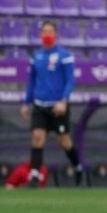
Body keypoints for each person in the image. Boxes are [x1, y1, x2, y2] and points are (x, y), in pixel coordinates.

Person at [21, 20, 82, 187]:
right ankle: (34, 176)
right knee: (37, 137)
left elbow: (70, 81)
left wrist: (64, 101)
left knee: (63, 140)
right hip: (40, 105)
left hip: (58, 106)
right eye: (44, 31)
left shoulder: (64, 56)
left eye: (50, 31)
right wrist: (26, 103)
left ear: (55, 34)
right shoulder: (36, 56)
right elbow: (31, 81)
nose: (47, 35)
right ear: (41, 35)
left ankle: (78, 167)